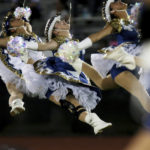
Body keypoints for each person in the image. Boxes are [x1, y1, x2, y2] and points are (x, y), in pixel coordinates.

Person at [0, 6, 112, 134]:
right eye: (59, 22)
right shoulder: (53, 41)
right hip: (52, 70)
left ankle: (93, 120)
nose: (64, 22)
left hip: (68, 71)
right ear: (55, 31)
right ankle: (92, 120)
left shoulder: (62, 40)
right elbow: (42, 46)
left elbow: (86, 42)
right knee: (67, 101)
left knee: (72, 100)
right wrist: (24, 45)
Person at [58, 0, 150, 113]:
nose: (118, 1)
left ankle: (75, 62)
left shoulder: (136, 12)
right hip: (124, 65)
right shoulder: (116, 23)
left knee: (102, 84)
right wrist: (77, 47)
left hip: (140, 60)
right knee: (144, 98)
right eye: (114, 2)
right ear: (113, 11)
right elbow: (96, 37)